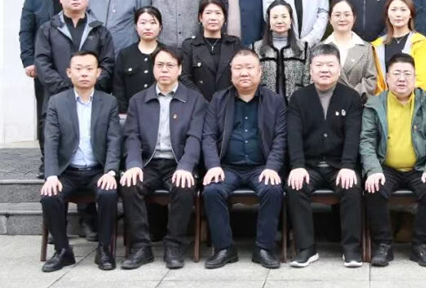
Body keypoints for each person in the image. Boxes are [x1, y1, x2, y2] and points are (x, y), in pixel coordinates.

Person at [119, 46, 207, 270]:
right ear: (153, 69)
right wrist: (133, 164)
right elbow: (131, 136)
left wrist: (186, 166)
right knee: (129, 184)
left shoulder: (195, 100)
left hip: (178, 163)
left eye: (170, 65)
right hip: (148, 163)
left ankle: (174, 245)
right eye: (160, 65)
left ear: (180, 70)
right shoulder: (138, 100)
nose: (164, 70)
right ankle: (141, 247)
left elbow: (195, 137)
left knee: (184, 186)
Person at [201, 48, 287, 270]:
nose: (244, 72)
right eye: (238, 68)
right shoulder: (218, 99)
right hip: (227, 167)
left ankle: (264, 248)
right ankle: (224, 248)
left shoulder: (275, 101)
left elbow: (281, 138)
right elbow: (208, 136)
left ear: (260, 72)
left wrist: (272, 167)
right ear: (231, 73)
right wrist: (213, 166)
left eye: (249, 67)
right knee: (212, 190)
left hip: (261, 167)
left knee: (272, 189)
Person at [360, 53, 426, 268]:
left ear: (415, 78)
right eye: (396, 73)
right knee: (374, 188)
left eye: (407, 74)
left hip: (419, 166)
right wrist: (373, 170)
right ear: (387, 78)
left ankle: (421, 245)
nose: (402, 79)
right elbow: (367, 141)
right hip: (385, 166)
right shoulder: (375, 103)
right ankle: (383, 245)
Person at [39, 51, 121, 273]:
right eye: (78, 68)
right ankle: (63, 251)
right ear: (69, 72)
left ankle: (104, 249)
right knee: (50, 195)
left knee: (108, 193)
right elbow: (51, 141)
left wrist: (111, 172)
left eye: (89, 69)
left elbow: (114, 140)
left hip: (97, 170)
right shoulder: (57, 102)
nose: (84, 73)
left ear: (98, 72)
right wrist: (51, 175)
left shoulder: (109, 102)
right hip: (68, 171)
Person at [286, 44, 364, 268]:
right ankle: (306, 248)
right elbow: (293, 134)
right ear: (310, 69)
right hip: (309, 166)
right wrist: (297, 165)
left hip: (339, 165)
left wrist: (348, 165)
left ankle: (351, 248)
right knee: (295, 186)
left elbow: (353, 135)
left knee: (351, 186)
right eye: (319, 65)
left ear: (339, 69)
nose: (325, 70)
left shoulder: (351, 97)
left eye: (330, 65)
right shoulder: (299, 97)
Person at [20, 0, 73, 176]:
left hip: (74, 67)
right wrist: (28, 61)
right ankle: (47, 161)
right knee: (46, 115)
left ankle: (72, 160)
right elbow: (26, 31)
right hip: (44, 67)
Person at [180, 0, 242, 102]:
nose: (213, 18)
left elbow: (240, 73)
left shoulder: (234, 43)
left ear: (224, 18)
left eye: (218, 13)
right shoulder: (190, 45)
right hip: (198, 103)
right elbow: (184, 77)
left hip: (229, 102)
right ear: (200, 17)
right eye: (208, 13)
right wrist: (200, 100)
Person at [371, 0, 426, 93]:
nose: (398, 14)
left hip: (411, 99)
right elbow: (375, 81)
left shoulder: (420, 42)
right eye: (393, 10)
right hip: (382, 100)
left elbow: (421, 81)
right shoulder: (376, 45)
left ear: (411, 14)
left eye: (403, 10)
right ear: (387, 14)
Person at [252, 0, 309, 101]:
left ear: (290, 20)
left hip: (296, 105)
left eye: (284, 16)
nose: (279, 21)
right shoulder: (255, 48)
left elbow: (307, 80)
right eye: (275, 17)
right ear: (268, 21)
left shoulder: (303, 47)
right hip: (265, 104)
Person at [323, 0, 377, 102]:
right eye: (337, 15)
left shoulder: (366, 48)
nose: (342, 19)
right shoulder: (320, 48)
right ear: (330, 19)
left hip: (357, 104)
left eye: (347, 15)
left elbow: (371, 80)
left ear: (354, 18)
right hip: (327, 104)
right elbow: (313, 79)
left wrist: (351, 96)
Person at [113, 6, 163, 114]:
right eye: (143, 23)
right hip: (131, 114)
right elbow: (118, 88)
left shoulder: (167, 53)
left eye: (153, 23)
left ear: (160, 27)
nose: (148, 27)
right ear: (136, 26)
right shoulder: (125, 54)